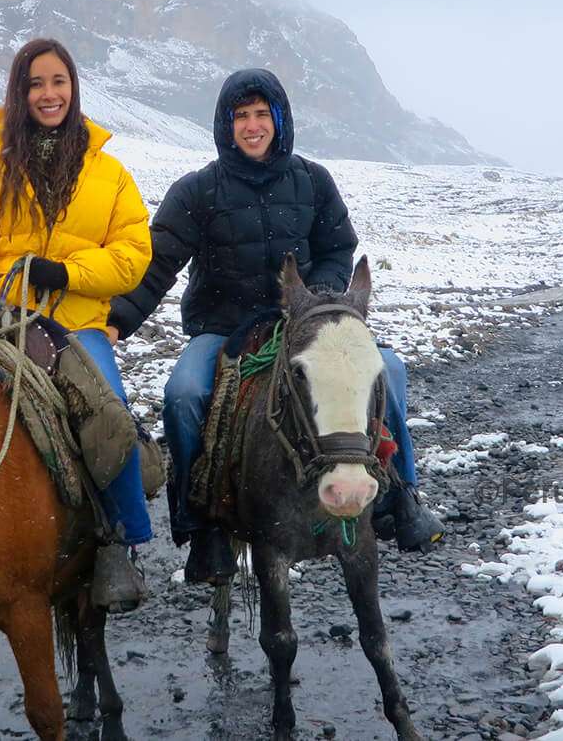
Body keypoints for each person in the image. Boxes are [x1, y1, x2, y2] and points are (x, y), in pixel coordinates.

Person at [107, 68, 444, 586]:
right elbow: (158, 264)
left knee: (388, 370)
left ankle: (400, 496)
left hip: (307, 322)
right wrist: (116, 322)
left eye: (262, 114)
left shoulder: (312, 181)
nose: (252, 125)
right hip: (225, 329)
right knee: (184, 392)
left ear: (280, 120)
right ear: (226, 125)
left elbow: (337, 249)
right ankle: (203, 526)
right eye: (241, 116)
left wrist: (313, 302)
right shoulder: (198, 190)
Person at [0, 38, 153, 612]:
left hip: (80, 325)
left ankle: (121, 539)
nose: (48, 94)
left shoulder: (109, 173)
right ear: (20, 91)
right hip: (4, 320)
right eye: (36, 83)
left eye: (58, 81)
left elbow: (134, 253)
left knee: (111, 412)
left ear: (74, 87)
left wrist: (69, 273)